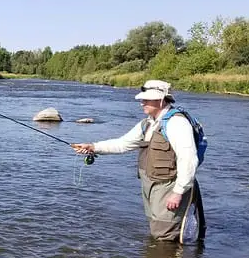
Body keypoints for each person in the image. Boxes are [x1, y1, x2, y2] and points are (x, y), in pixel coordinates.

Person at [71, 80, 204, 242]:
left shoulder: (177, 123)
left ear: (161, 100)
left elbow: (188, 159)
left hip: (169, 188)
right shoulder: (147, 123)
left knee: (166, 235)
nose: (142, 103)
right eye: (143, 99)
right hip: (152, 187)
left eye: (146, 100)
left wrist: (178, 192)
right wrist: (93, 147)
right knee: (158, 231)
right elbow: (123, 144)